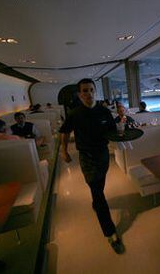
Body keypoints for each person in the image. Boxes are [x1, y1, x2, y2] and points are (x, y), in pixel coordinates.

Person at [59, 78, 125, 254]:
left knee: (99, 187)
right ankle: (111, 233)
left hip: (102, 155)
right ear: (80, 94)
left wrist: (122, 128)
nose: (88, 93)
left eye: (90, 90)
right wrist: (64, 151)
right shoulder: (74, 113)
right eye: (84, 91)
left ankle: (97, 202)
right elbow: (64, 132)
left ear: (95, 91)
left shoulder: (104, 111)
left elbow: (113, 131)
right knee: (97, 191)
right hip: (86, 158)